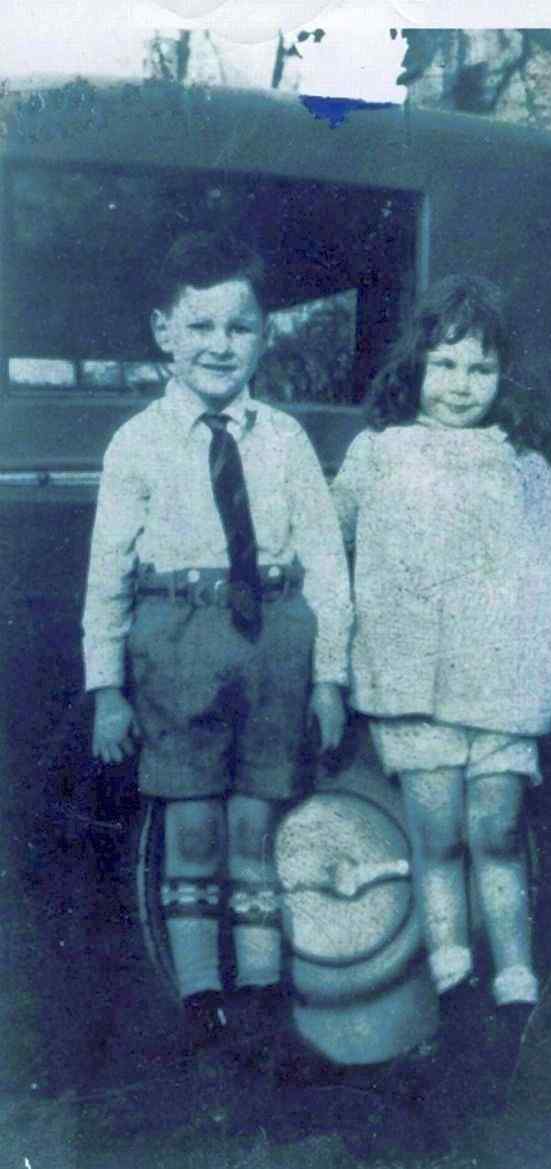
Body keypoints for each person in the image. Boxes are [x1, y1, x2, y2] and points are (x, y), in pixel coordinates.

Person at [82, 230, 352, 1068]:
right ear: (164, 331)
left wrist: (330, 677)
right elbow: (106, 575)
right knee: (193, 823)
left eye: (239, 327)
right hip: (178, 638)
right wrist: (107, 688)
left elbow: (327, 564)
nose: (219, 344)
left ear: (265, 335)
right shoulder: (137, 442)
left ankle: (264, 995)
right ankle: (201, 999)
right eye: (199, 326)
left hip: (275, 635)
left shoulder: (285, 439)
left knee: (258, 823)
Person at [330, 274, 551, 1095]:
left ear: (502, 376)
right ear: (415, 367)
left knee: (497, 829)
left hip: (504, 677)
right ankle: (452, 976)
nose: (459, 384)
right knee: (437, 835)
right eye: (444, 365)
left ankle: (515, 981)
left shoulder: (525, 468)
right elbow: (326, 543)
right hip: (411, 679)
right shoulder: (378, 454)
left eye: (479, 369)